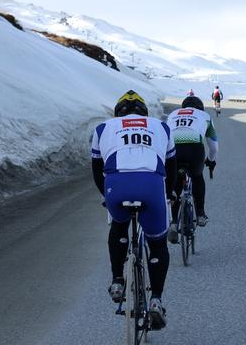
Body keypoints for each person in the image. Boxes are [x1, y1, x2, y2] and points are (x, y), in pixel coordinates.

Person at [91, 90, 176, 330]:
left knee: (119, 224)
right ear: (144, 113)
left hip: (116, 186)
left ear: (118, 113)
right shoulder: (162, 126)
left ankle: (118, 280)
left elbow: (97, 168)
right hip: (151, 185)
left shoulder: (102, 128)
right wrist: (167, 195)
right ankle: (156, 300)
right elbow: (172, 164)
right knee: (157, 243)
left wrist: (105, 196)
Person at [166, 96, 218, 243]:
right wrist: (211, 161)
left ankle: (174, 223)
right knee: (197, 176)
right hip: (194, 148)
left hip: (173, 149)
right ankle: (200, 214)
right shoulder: (205, 116)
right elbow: (213, 146)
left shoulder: (172, 115)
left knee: (174, 181)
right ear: (200, 107)